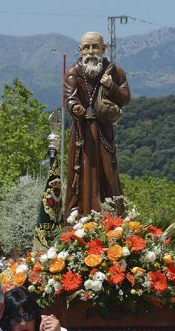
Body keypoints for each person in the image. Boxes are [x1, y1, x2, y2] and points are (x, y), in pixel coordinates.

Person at [64, 31, 131, 217]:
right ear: (80, 49)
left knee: (108, 171)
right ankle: (83, 215)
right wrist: (75, 107)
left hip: (104, 130)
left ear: (103, 48)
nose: (91, 51)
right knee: (84, 172)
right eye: (87, 47)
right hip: (82, 132)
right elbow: (69, 97)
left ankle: (113, 217)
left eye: (95, 47)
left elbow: (125, 98)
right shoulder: (74, 72)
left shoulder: (114, 72)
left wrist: (112, 86)